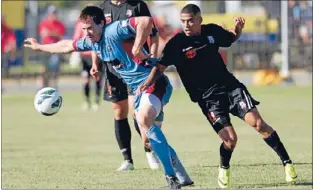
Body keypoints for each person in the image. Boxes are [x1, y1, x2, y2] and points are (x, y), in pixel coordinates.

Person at [24, 5, 193, 189]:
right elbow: (66, 46)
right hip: (139, 91)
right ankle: (182, 174)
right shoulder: (92, 42)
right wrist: (39, 46)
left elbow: (145, 21)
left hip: (154, 81)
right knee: (148, 139)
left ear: (102, 24)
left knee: (144, 120)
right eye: (84, 29)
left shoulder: (114, 30)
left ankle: (171, 178)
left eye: (91, 28)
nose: (87, 33)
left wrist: (137, 47)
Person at [138, 4, 297, 188]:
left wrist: (238, 30)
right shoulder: (176, 44)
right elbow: (160, 67)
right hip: (208, 99)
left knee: (259, 124)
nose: (187, 25)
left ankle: (287, 163)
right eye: (183, 22)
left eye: (190, 21)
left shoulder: (212, 31)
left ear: (199, 20)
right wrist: (149, 81)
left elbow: (230, 38)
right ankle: (224, 167)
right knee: (230, 140)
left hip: (230, 88)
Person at [93, 0, 160, 171]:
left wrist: (151, 55)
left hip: (135, 69)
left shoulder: (138, 5)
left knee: (136, 113)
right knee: (118, 111)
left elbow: (153, 33)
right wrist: (95, 63)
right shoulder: (102, 8)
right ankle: (127, 160)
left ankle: (150, 150)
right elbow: (95, 36)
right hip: (112, 70)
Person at [73, 20, 102, 111]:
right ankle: (86, 100)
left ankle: (96, 101)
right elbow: (77, 38)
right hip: (85, 57)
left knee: (97, 78)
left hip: (97, 55)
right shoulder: (80, 24)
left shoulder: (98, 24)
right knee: (85, 79)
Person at [37, 5, 66, 89]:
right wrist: (54, 33)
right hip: (46, 48)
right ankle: (43, 84)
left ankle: (53, 85)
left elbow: (60, 33)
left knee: (55, 68)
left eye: (55, 13)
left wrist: (50, 33)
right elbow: (43, 34)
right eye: (52, 13)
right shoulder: (44, 23)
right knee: (44, 68)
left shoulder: (59, 24)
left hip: (56, 49)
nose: (54, 14)